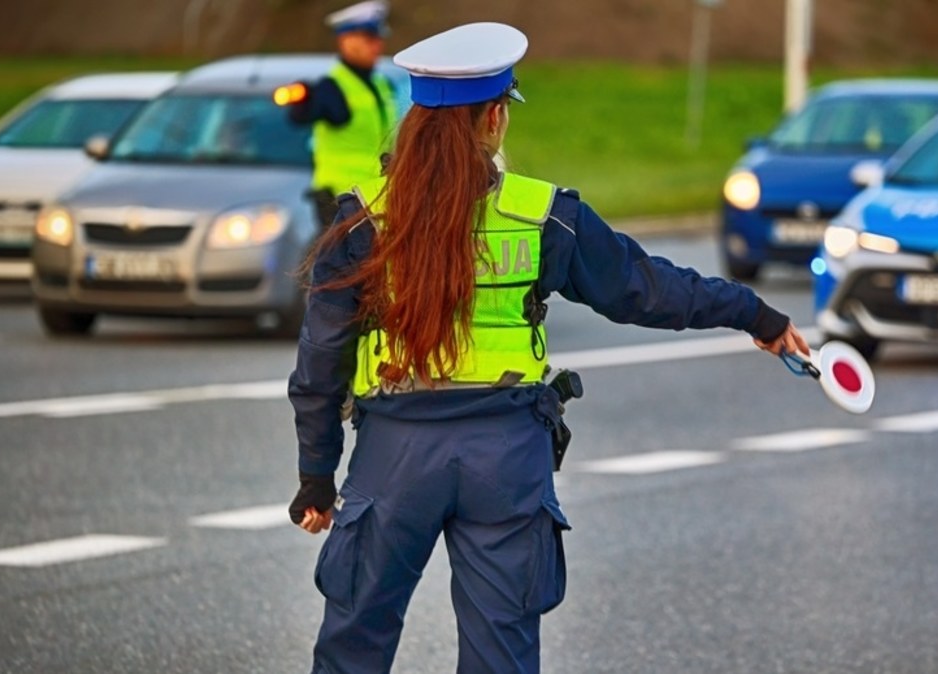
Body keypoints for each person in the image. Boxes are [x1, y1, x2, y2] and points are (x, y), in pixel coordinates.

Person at [286, 22, 812, 674]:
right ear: (496, 119)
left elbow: (320, 359)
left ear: (416, 122)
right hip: (506, 457)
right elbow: (646, 291)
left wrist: (317, 476)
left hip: (396, 451)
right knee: (501, 654)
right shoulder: (544, 215)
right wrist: (754, 314)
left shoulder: (365, 218)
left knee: (353, 646)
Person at [286, 0, 403, 228]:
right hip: (339, 201)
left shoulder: (381, 84)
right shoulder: (331, 87)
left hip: (376, 194)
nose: (377, 46)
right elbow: (299, 117)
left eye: (378, 39)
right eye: (369, 39)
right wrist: (306, 99)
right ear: (345, 40)